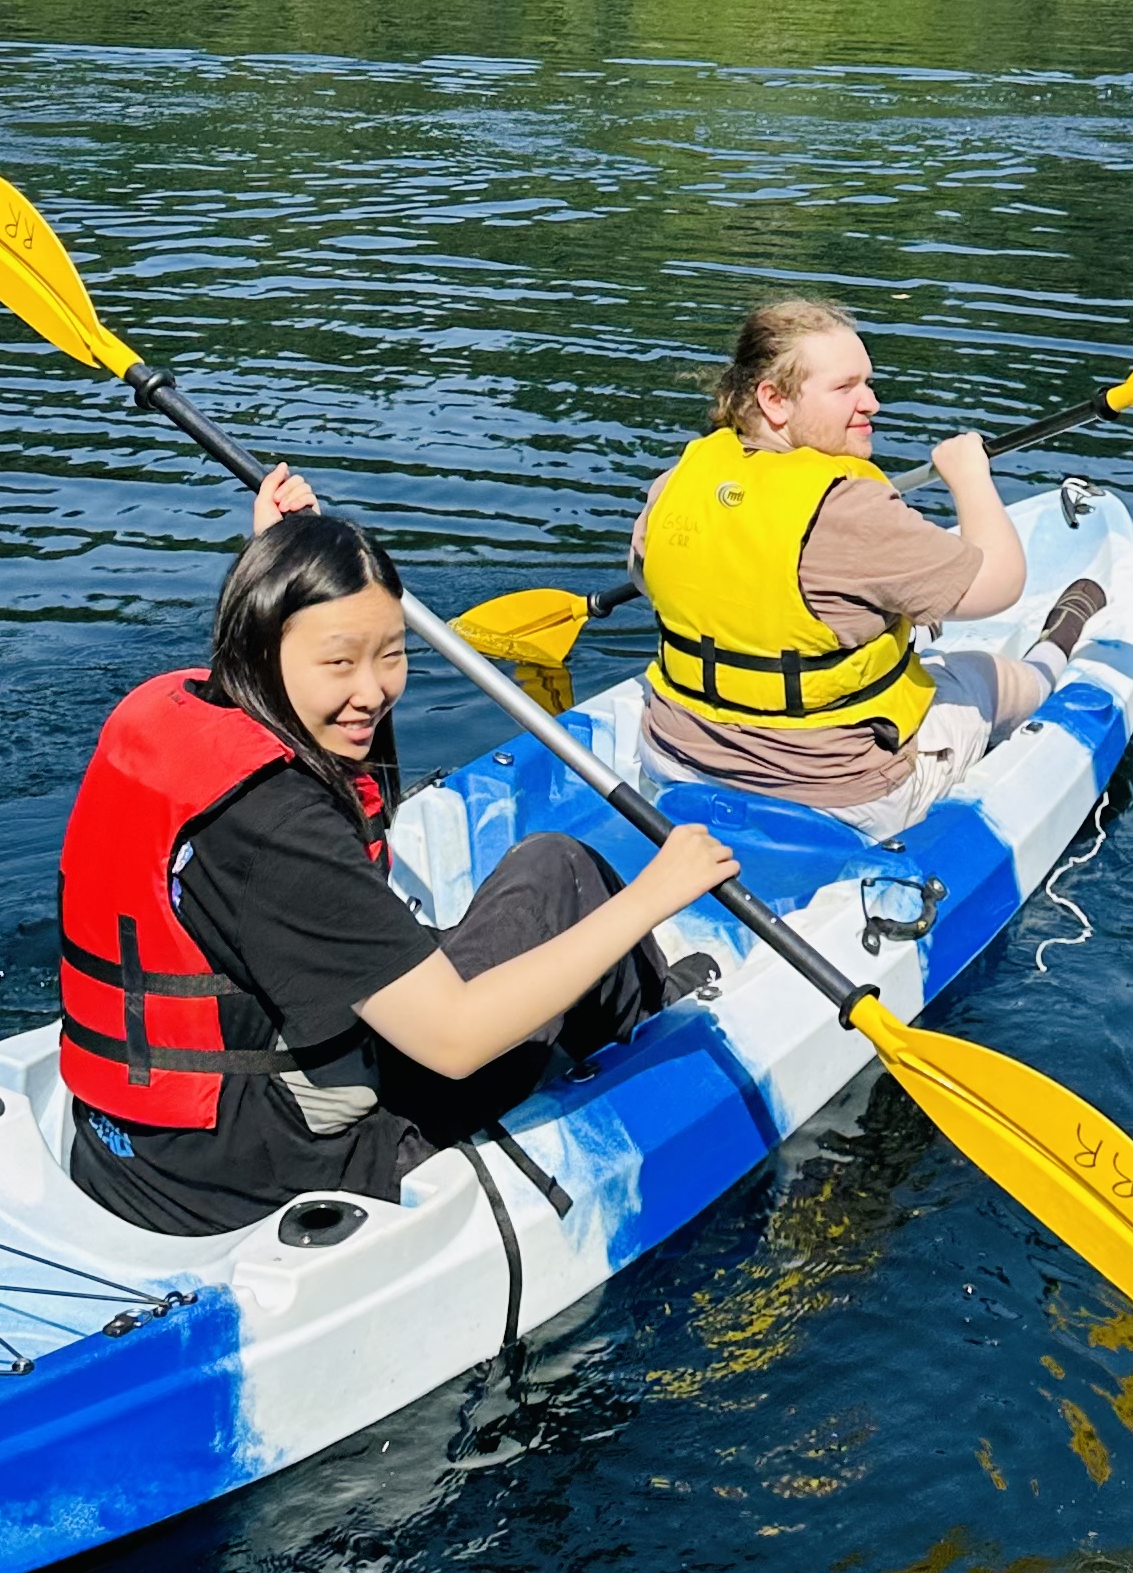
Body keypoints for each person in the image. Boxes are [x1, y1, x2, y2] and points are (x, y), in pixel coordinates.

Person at [62, 480, 737, 1240]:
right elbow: (455, 1041)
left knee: (543, 875)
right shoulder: (282, 834)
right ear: (260, 644)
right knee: (565, 878)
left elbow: (288, 701)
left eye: (392, 654)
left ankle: (630, 999)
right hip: (270, 1168)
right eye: (339, 661)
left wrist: (275, 558)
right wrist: (652, 895)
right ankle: (654, 1027)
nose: (373, 691)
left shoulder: (171, 710)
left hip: (132, 1147)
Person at [633, 298, 1108, 846]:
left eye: (869, 384)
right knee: (984, 673)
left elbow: (650, 579)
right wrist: (969, 474)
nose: (873, 403)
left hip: (673, 759)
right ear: (774, 399)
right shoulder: (850, 509)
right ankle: (1056, 654)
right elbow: (1000, 584)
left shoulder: (678, 482)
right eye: (846, 388)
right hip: (840, 795)